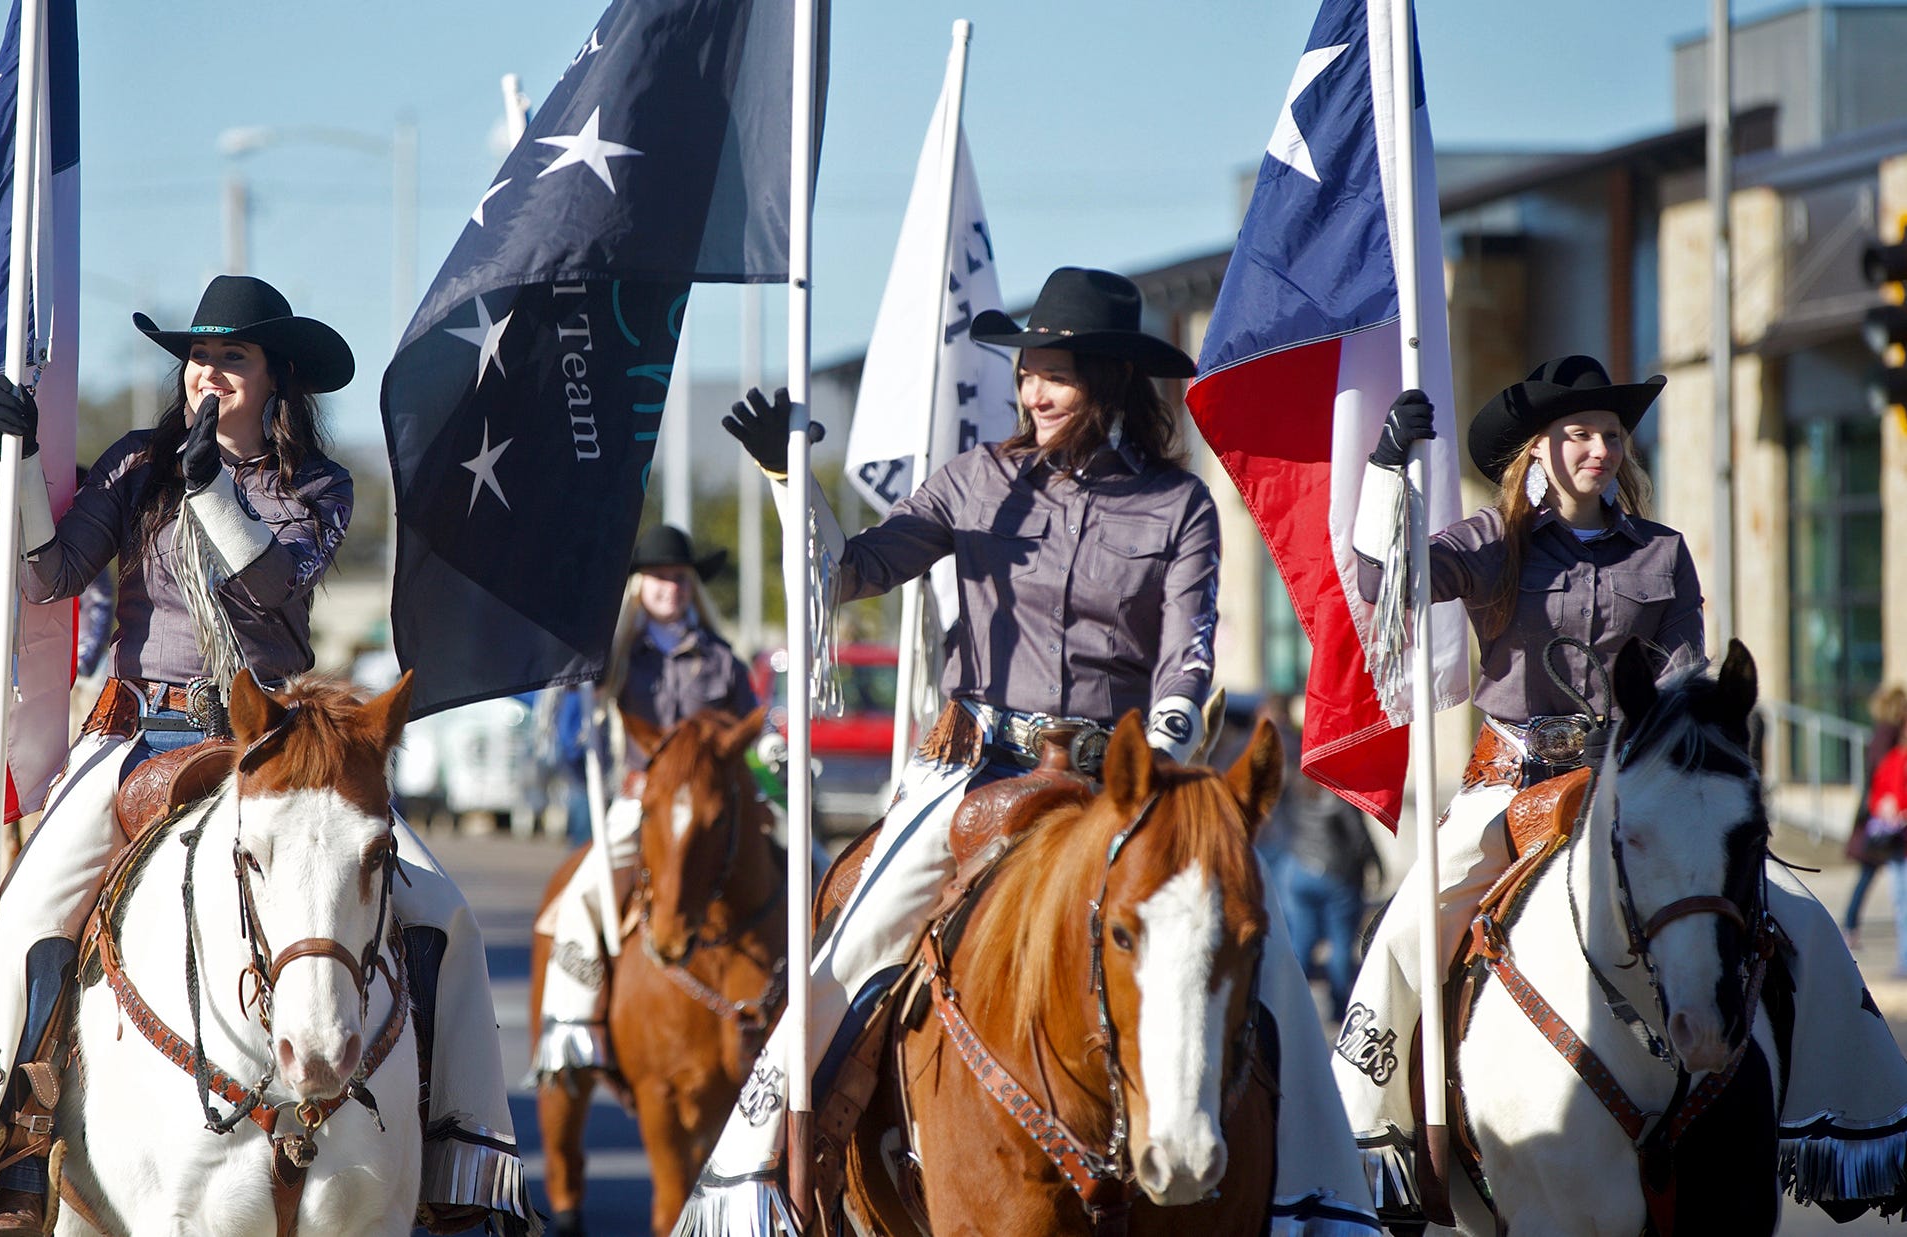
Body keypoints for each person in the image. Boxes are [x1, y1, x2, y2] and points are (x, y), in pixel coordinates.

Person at [674, 267, 1375, 1234]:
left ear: (1111, 383)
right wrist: (793, 480)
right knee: (854, 936)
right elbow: (853, 571)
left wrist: (1164, 741)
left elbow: (1189, 647)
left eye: (1054, 375)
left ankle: (1320, 1204)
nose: (1032, 391)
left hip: (1121, 777)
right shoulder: (974, 480)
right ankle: (750, 1181)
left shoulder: (1178, 505)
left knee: (1258, 942)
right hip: (979, 769)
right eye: (1026, 372)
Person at [0, 276, 532, 1237]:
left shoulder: (317, 489)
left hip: (279, 744)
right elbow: (52, 572)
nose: (207, 373)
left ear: (275, 380)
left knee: (442, 908)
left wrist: (213, 485)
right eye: (197, 357)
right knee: (24, 915)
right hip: (143, 737)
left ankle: (464, 1167)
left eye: (232, 358)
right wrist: (17, 457)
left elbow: (264, 584)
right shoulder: (139, 461)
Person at [1336, 355, 1907, 1218]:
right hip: (1515, 780)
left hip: (1638, 780)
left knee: (1803, 916)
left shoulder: (1660, 552)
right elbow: (1386, 588)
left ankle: (1852, 1118)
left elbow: (1681, 676)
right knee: (1409, 924)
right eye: (1577, 434)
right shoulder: (1490, 542)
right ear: (1539, 449)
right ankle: (1372, 1136)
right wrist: (1387, 474)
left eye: (1608, 434)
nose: (1597, 449)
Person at [531, 523, 758, 1079]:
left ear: (691, 586)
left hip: (715, 805)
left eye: (678, 578)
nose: (670, 587)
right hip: (642, 801)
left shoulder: (721, 658)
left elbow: (750, 718)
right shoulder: (613, 656)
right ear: (640, 585)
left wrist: (770, 744)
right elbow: (575, 709)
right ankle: (572, 1025)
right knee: (581, 894)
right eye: (658, 577)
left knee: (809, 870)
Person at [1258, 696, 1379, 1014]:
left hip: (1299, 868)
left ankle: (1289, 1005)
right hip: (1335, 874)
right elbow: (1357, 835)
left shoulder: (1299, 778)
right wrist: (1374, 865)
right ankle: (1340, 1008)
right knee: (1340, 945)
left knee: (1301, 941)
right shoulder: (1339, 788)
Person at [1843, 683, 1907, 950]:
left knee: (1870, 873)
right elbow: (1886, 776)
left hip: (1877, 812)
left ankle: (1850, 924)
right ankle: (1850, 924)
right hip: (1884, 817)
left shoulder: (1882, 731)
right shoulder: (1889, 734)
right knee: (1874, 873)